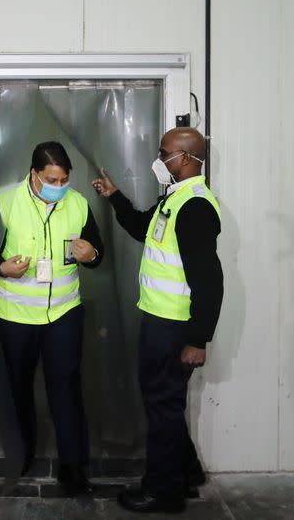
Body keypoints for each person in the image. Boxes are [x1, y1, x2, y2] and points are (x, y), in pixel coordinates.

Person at [92, 128, 223, 514]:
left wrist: (198, 339)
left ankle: (163, 492)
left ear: (184, 159)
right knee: (164, 403)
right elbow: (139, 227)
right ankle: (186, 473)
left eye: (163, 152)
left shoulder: (196, 207)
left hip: (173, 327)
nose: (158, 158)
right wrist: (114, 196)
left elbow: (209, 280)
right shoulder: (175, 199)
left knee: (161, 406)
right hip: (159, 321)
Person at [0, 141, 104, 496]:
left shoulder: (79, 204)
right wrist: (1, 267)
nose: (59, 185)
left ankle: (74, 468)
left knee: (66, 390)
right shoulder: (3, 201)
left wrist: (92, 254)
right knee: (18, 388)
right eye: (52, 178)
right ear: (34, 174)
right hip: (15, 316)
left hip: (64, 314)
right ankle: (21, 454)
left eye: (64, 178)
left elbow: (96, 252)